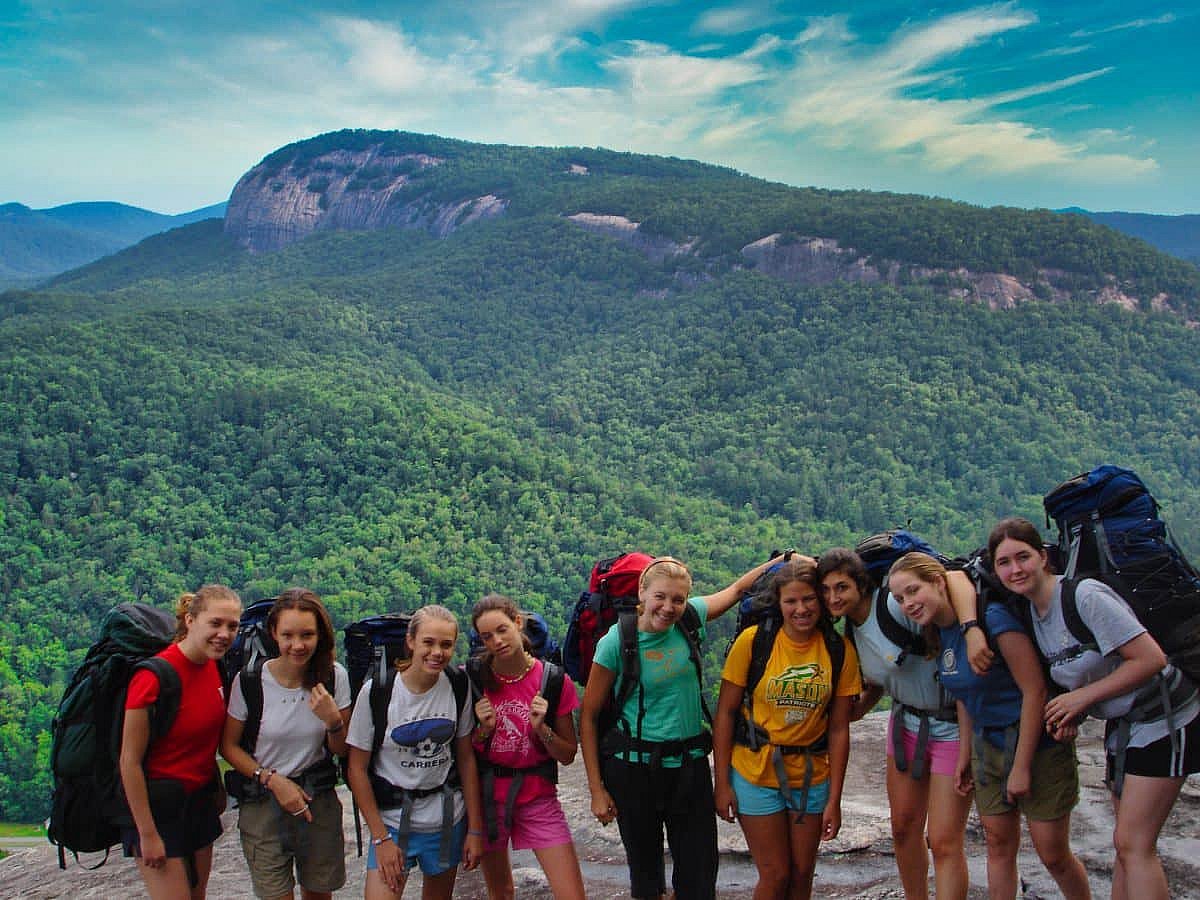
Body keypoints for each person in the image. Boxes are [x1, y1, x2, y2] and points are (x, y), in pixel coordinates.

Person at [987, 517, 1200, 900]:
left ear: (1044, 557)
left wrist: (1081, 699)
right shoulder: (1034, 615)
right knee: (1126, 845)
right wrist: (1075, 712)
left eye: (1023, 557)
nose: (1015, 569)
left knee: (1134, 844)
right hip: (1126, 724)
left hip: (1167, 714)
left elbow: (1150, 659)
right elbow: (1087, 676)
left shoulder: (1084, 596)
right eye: (1004, 562)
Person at [890, 552, 1091, 900]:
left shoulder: (991, 620)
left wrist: (1022, 767)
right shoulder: (939, 632)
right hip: (988, 748)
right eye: (899, 598)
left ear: (938, 582)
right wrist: (965, 754)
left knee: (1052, 852)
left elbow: (1034, 690)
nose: (908, 603)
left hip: (1036, 744)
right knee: (997, 844)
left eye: (913, 591)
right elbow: (967, 695)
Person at [579, 555, 776, 900]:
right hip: (633, 769)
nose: (669, 607)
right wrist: (597, 789)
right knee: (646, 876)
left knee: (700, 874)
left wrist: (784, 559)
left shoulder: (689, 620)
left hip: (689, 766)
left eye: (678, 599)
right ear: (642, 592)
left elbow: (738, 589)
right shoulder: (616, 641)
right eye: (661, 596)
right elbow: (590, 715)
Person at [817, 548, 971, 900]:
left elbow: (949, 611)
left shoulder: (892, 607)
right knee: (903, 828)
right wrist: (855, 710)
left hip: (952, 724)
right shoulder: (851, 632)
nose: (833, 597)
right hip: (906, 726)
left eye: (841, 587)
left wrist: (973, 631)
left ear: (861, 585)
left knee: (945, 841)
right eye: (825, 590)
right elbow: (882, 676)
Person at [713, 557, 861, 899]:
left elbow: (839, 728)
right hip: (754, 771)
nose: (801, 609)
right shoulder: (754, 642)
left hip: (810, 775)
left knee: (802, 872)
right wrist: (721, 783)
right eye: (791, 601)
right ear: (778, 604)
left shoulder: (839, 651)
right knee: (776, 874)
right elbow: (726, 713)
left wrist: (835, 799)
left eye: (808, 599)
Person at [344, 604, 485, 900]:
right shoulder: (378, 693)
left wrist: (474, 829)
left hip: (447, 818)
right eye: (428, 642)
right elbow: (356, 768)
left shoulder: (458, 686)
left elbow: (466, 758)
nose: (437, 652)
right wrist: (380, 837)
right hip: (393, 822)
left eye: (446, 645)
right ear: (410, 642)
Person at [220, 588, 351, 900]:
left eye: (307, 634)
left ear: (321, 636)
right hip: (263, 802)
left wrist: (333, 721)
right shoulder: (250, 681)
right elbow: (229, 746)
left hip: (317, 799)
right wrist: (271, 779)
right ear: (273, 634)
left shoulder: (334, 678)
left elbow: (341, 750)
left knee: (319, 892)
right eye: (288, 635)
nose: (297, 645)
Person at [119, 583, 242, 900]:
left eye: (232, 626)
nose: (224, 634)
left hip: (198, 804)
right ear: (190, 620)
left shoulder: (215, 667)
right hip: (159, 810)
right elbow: (129, 760)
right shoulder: (153, 677)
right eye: (215, 623)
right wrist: (147, 834)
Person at [469, 594, 585, 900]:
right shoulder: (474, 679)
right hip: (489, 799)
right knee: (501, 892)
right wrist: (484, 730)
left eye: (502, 629)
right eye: (487, 636)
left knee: (571, 893)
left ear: (517, 623)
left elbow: (568, 754)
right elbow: (465, 750)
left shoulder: (553, 680)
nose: (496, 641)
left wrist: (541, 729)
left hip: (537, 796)